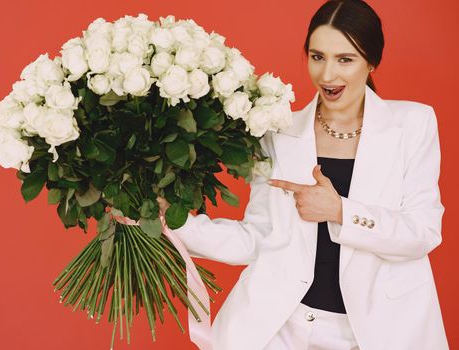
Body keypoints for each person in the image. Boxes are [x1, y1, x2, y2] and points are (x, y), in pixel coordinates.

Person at [158, 0, 448, 349]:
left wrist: (340, 211)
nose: (327, 75)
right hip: (283, 328)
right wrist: (165, 221)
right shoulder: (277, 131)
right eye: (317, 56)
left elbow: (422, 232)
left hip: (377, 333)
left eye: (345, 59)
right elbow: (256, 238)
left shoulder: (412, 125)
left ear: (371, 61)